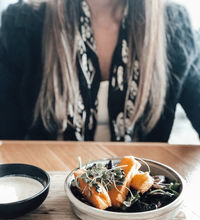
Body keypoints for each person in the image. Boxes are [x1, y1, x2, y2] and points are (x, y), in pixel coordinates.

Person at [0, 0, 200, 142]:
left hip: (144, 195)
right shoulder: (22, 23)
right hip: (50, 185)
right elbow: (7, 142)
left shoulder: (174, 24)